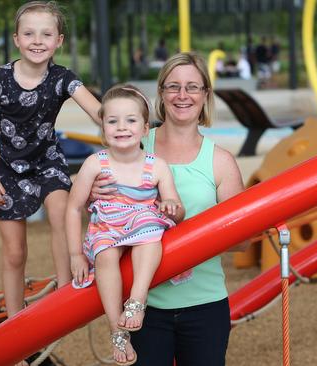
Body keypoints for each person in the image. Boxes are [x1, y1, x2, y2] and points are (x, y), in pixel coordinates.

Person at [91, 53, 249, 366]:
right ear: (161, 94)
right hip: (143, 307)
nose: (182, 95)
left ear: (206, 95)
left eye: (192, 87)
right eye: (173, 86)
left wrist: (194, 236)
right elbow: (100, 216)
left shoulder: (220, 162)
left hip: (205, 306)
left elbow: (242, 240)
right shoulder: (132, 144)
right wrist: (94, 194)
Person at [0, 0, 100, 354]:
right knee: (14, 252)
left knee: (62, 211)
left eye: (46, 33)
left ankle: (64, 292)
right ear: (16, 39)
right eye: (29, 33)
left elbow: (99, 111)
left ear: (59, 40)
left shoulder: (63, 78)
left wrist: (126, 124)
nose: (37, 40)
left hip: (46, 160)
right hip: (5, 169)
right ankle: (14, 324)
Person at [67, 85, 184, 366]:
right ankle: (116, 329)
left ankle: (136, 301)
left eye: (130, 120)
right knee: (105, 255)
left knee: (149, 231)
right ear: (103, 128)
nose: (122, 127)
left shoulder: (156, 165)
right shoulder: (96, 163)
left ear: (145, 129)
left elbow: (176, 206)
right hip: (107, 226)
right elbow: (73, 207)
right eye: (112, 121)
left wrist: (169, 204)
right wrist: (75, 254)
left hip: (143, 222)